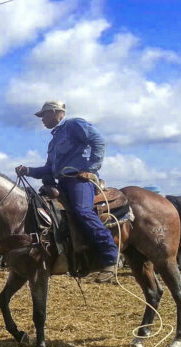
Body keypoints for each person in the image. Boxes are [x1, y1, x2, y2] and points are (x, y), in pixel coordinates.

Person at [15, 101, 119, 282]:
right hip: (61, 182)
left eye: (44, 115)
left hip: (79, 180)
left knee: (82, 211)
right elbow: (48, 169)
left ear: (56, 112)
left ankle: (110, 257)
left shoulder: (74, 125)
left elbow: (99, 141)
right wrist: (28, 171)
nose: (42, 120)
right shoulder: (53, 141)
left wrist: (91, 168)